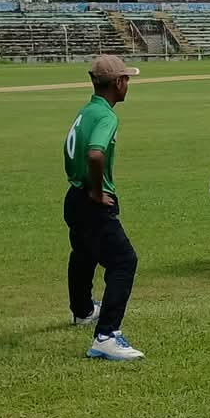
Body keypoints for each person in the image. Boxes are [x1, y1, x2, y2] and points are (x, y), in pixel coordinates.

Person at [64, 54, 143, 360]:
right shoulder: (107, 116)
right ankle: (106, 336)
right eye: (127, 79)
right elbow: (95, 154)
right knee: (124, 261)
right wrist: (97, 193)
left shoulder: (87, 111)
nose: (128, 84)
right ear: (119, 83)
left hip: (74, 197)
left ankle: (83, 310)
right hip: (91, 200)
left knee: (83, 254)